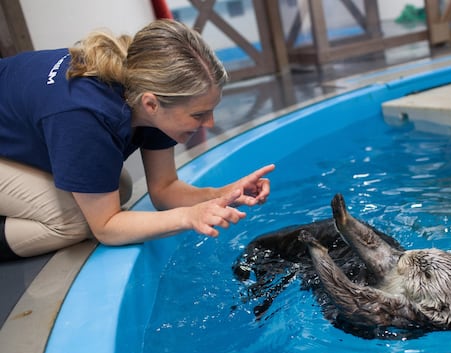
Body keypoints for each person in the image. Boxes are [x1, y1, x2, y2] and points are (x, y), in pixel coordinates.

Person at [0, 19, 275, 261]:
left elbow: (164, 190)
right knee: (74, 222)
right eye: (199, 114)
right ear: (151, 104)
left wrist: (224, 195)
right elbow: (106, 227)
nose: (210, 123)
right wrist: (188, 217)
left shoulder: (147, 86)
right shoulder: (84, 115)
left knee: (119, 186)